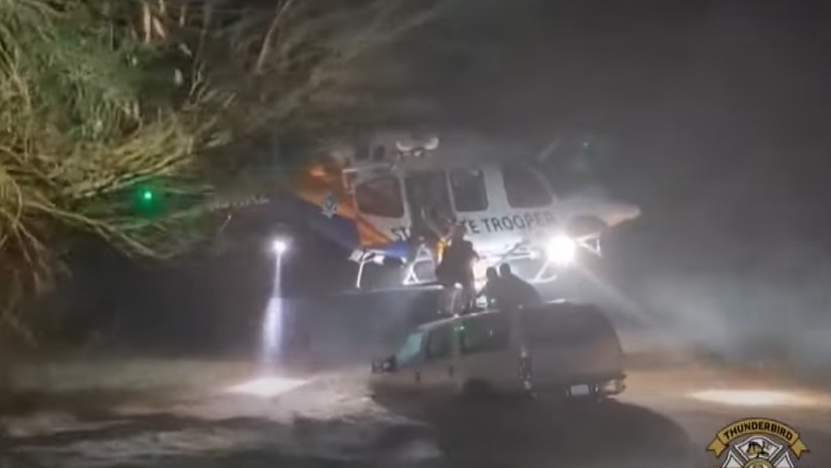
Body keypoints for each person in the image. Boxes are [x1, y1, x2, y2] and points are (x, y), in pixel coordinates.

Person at [435, 227, 479, 313]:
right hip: (458, 273)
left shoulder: (448, 247)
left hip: (451, 273)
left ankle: (446, 308)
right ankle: (470, 305)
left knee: (452, 291)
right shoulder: (465, 246)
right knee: (468, 286)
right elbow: (475, 256)